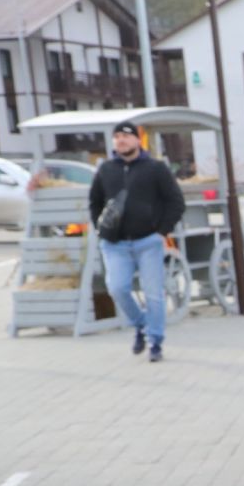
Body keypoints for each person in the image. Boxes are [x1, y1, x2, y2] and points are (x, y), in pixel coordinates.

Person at [88, 119, 184, 362]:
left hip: (148, 242)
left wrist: (161, 231)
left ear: (136, 140)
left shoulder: (156, 168)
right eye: (117, 136)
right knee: (118, 288)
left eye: (126, 136)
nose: (121, 140)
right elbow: (95, 202)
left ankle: (155, 341)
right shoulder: (106, 169)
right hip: (115, 243)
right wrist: (100, 228)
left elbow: (176, 202)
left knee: (154, 294)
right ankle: (141, 324)